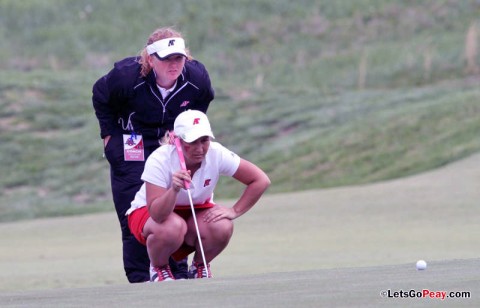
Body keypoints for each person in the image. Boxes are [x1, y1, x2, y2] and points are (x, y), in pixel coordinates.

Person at [92, 27, 215, 283]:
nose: (174, 64)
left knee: (174, 204)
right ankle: (140, 278)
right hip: (132, 141)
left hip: (169, 142)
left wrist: (183, 127)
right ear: (150, 59)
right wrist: (109, 136)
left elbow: (204, 100)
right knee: (133, 210)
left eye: (179, 58)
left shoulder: (196, 78)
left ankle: (177, 272)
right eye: (166, 59)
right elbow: (100, 94)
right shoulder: (126, 77)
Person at [126, 110, 271, 281]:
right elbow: (157, 215)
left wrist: (235, 211)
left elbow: (260, 180)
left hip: (195, 209)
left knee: (222, 226)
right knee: (172, 227)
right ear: (178, 141)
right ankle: (159, 268)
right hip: (151, 214)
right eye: (192, 142)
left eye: (204, 140)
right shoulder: (160, 159)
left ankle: (199, 266)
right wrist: (174, 189)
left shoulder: (217, 153)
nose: (200, 148)